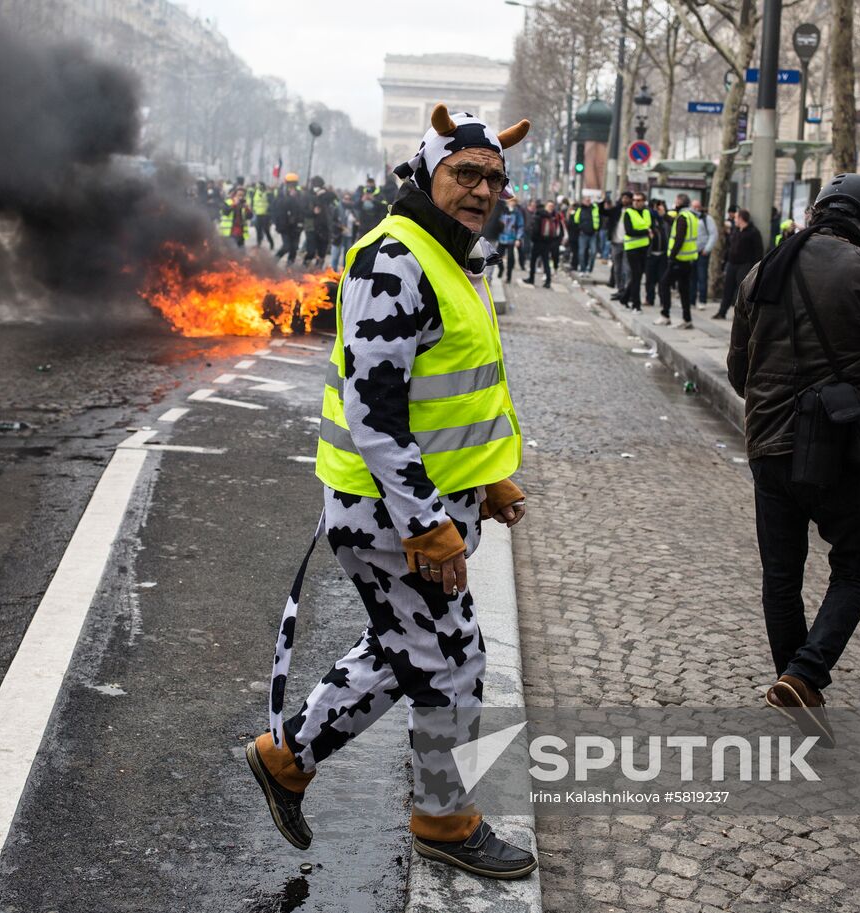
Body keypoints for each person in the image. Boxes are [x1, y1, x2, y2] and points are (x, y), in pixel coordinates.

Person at [248, 103, 536, 880]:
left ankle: (288, 758)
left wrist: (486, 478)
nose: (481, 189)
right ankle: (442, 817)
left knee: (405, 648)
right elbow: (376, 416)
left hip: (420, 505)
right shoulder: (394, 260)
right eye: (465, 172)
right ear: (424, 171)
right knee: (451, 661)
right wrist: (428, 521)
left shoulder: (445, 256)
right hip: (390, 515)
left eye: (493, 179)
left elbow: (446, 397)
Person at [728, 174, 860, 744]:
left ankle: (796, 687)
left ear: (816, 213)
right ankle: (805, 672)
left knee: (781, 575)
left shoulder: (763, 268)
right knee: (855, 567)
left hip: (769, 445)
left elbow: (737, 372)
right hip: (840, 447)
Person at [656, 193, 699, 328]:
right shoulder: (691, 216)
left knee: (663, 284)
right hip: (688, 260)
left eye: (675, 201)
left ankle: (665, 315)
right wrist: (664, 215)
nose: (674, 203)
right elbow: (674, 223)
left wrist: (671, 256)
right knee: (684, 290)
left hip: (678, 260)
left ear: (680, 202)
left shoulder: (682, 217)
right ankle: (687, 319)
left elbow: (679, 238)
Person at [713, 209, 763, 320]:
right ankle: (722, 312)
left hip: (744, 265)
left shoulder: (753, 232)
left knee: (743, 291)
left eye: (736, 217)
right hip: (732, 263)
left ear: (740, 218)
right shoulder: (735, 230)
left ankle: (742, 315)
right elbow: (730, 247)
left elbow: (758, 251)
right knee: (727, 289)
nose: (734, 220)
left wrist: (754, 268)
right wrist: (725, 260)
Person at [615, 191, 650, 309]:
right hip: (632, 248)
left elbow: (651, 226)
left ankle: (625, 297)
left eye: (639, 200)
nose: (636, 202)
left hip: (644, 248)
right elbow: (630, 231)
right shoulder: (628, 212)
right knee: (636, 275)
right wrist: (646, 232)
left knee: (638, 276)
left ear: (644, 201)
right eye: (634, 200)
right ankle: (636, 304)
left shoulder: (646, 212)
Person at [523, 200, 561, 288]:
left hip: (538, 242)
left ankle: (531, 278)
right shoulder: (553, 217)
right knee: (546, 262)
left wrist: (534, 239)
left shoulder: (539, 215)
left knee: (533, 261)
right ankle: (548, 281)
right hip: (547, 243)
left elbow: (535, 229)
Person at [272, 174, 305, 265]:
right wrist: (290, 198)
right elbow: (278, 207)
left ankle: (289, 267)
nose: (292, 186)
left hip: (296, 225)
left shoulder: (300, 194)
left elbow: (302, 208)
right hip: (284, 225)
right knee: (286, 246)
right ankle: (273, 262)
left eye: (294, 184)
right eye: (290, 184)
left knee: (294, 248)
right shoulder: (280, 193)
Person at [643, 199, 668, 312]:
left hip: (663, 254)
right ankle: (649, 298)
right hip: (651, 254)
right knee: (650, 279)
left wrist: (663, 214)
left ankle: (663, 300)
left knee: (663, 279)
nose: (658, 209)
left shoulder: (665, 219)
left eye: (660, 206)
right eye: (656, 206)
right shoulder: (648, 218)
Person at [692, 199, 718, 305]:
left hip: (702, 252)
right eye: (694, 207)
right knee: (691, 277)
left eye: (697, 207)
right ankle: (691, 300)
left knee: (702, 276)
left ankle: (702, 300)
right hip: (691, 253)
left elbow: (713, 234)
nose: (695, 209)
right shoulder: (689, 218)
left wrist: (707, 249)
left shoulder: (707, 219)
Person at [496, 197, 525, 282]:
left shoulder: (517, 212)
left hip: (512, 238)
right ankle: (501, 268)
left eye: (514, 201)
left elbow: (520, 226)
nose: (512, 202)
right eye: (511, 201)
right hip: (501, 237)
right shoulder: (502, 210)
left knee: (510, 258)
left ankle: (509, 277)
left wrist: (518, 239)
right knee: (497, 256)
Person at [572, 196, 599, 273]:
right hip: (583, 234)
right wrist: (579, 229)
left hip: (593, 234)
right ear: (583, 201)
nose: (588, 202)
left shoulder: (594, 209)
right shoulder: (580, 209)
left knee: (593, 252)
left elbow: (598, 219)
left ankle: (589, 269)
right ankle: (582, 269)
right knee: (581, 253)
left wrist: (597, 229)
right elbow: (575, 220)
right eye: (586, 200)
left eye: (589, 200)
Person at [252, 181, 274, 248]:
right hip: (258, 214)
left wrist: (270, 211)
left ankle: (271, 243)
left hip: (266, 215)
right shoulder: (255, 192)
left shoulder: (268, 193)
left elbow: (272, 203)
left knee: (266, 230)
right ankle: (258, 243)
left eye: (260, 186)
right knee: (258, 229)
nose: (259, 187)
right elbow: (253, 202)